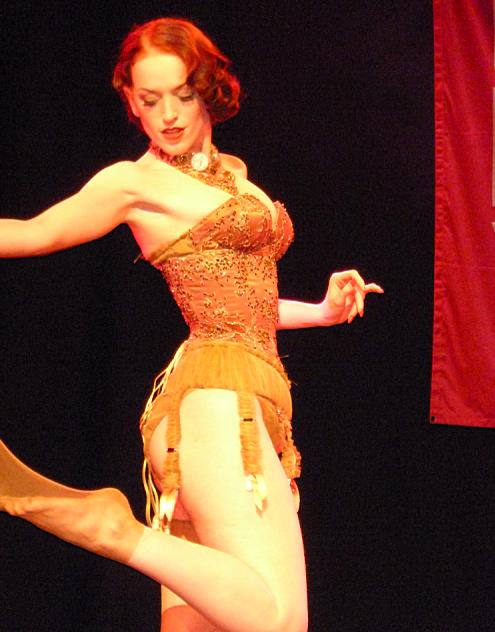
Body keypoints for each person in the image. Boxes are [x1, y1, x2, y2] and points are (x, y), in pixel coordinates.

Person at [0, 17, 383, 632]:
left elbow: (242, 306)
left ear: (207, 89)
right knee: (278, 620)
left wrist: (321, 312)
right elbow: (33, 232)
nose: (168, 115)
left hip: (241, 398)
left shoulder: (234, 172)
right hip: (214, 406)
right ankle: (115, 531)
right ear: (131, 102)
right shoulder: (135, 182)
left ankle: (124, 535)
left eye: (182, 94)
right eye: (149, 100)